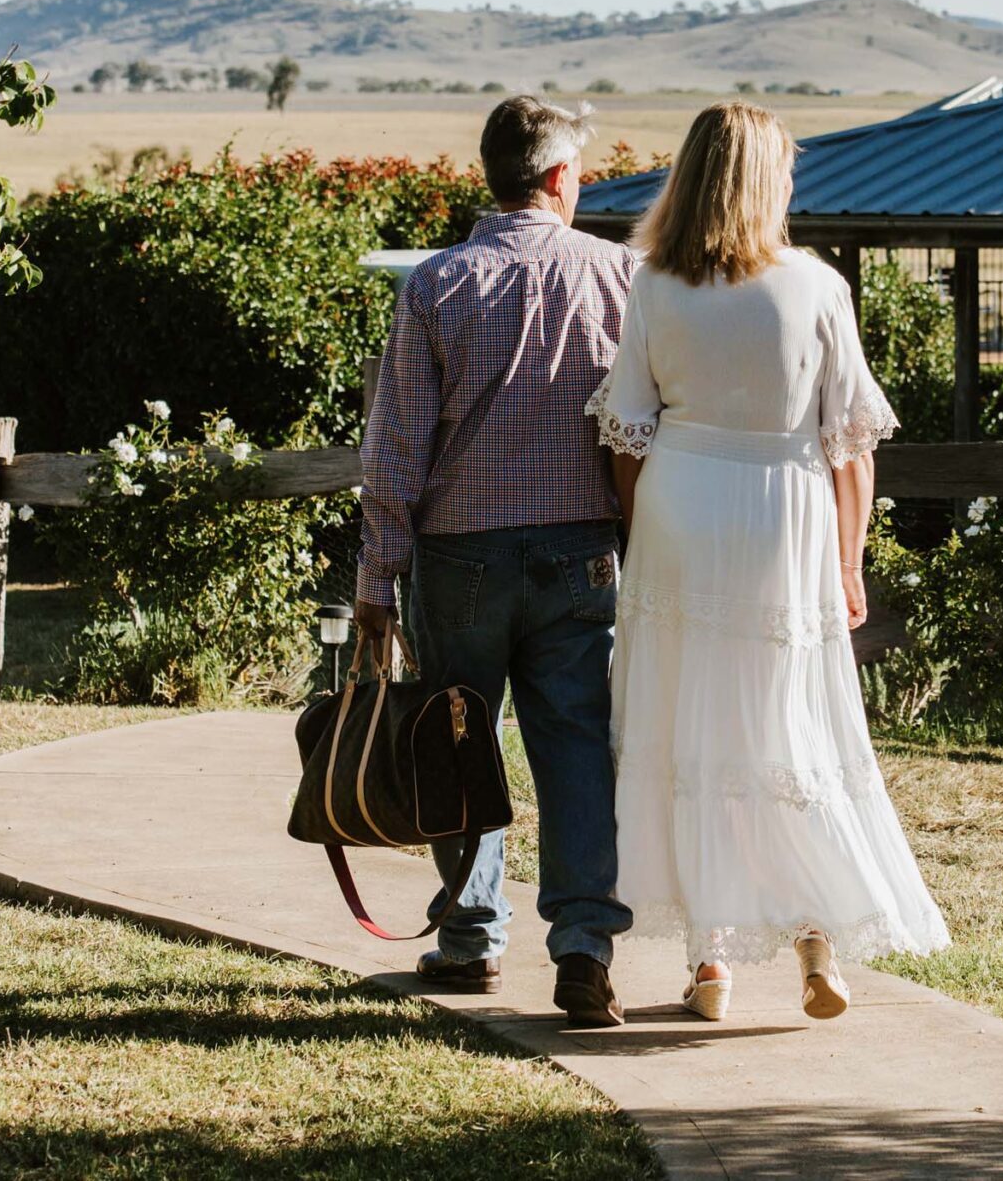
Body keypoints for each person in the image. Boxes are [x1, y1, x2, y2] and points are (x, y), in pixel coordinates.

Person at [587, 100, 950, 1022]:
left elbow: (627, 433)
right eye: (784, 167)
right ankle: (815, 942)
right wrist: (850, 561)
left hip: (680, 506)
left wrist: (644, 535)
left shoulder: (654, 286)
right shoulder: (815, 285)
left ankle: (710, 965)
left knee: (687, 724)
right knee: (785, 723)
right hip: (783, 515)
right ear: (760, 180)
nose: (793, 182)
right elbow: (851, 445)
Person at [357, 94, 637, 1028]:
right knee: (575, 744)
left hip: (458, 556)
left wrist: (375, 584)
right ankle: (585, 947)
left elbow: (395, 450)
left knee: (458, 738)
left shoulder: (434, 285)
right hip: (579, 550)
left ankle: (472, 937)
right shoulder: (619, 276)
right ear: (561, 178)